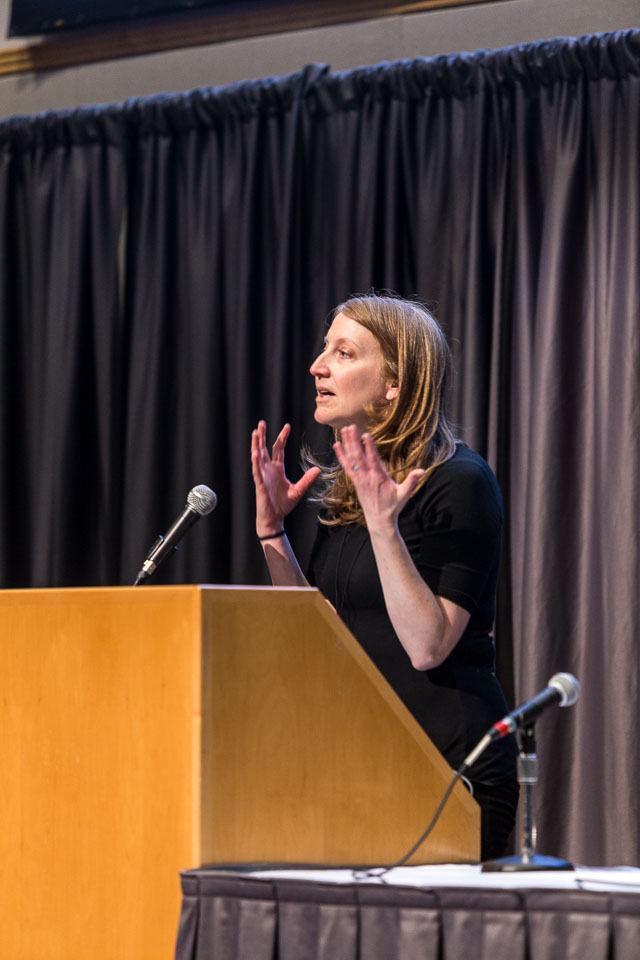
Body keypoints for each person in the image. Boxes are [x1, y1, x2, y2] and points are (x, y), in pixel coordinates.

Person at [251, 293, 518, 861]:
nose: (317, 366)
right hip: (364, 760)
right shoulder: (355, 487)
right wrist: (273, 534)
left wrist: (383, 526)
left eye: (344, 353)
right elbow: (322, 635)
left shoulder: (460, 482)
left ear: (395, 383)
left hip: (450, 768)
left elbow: (428, 645)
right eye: (324, 349)